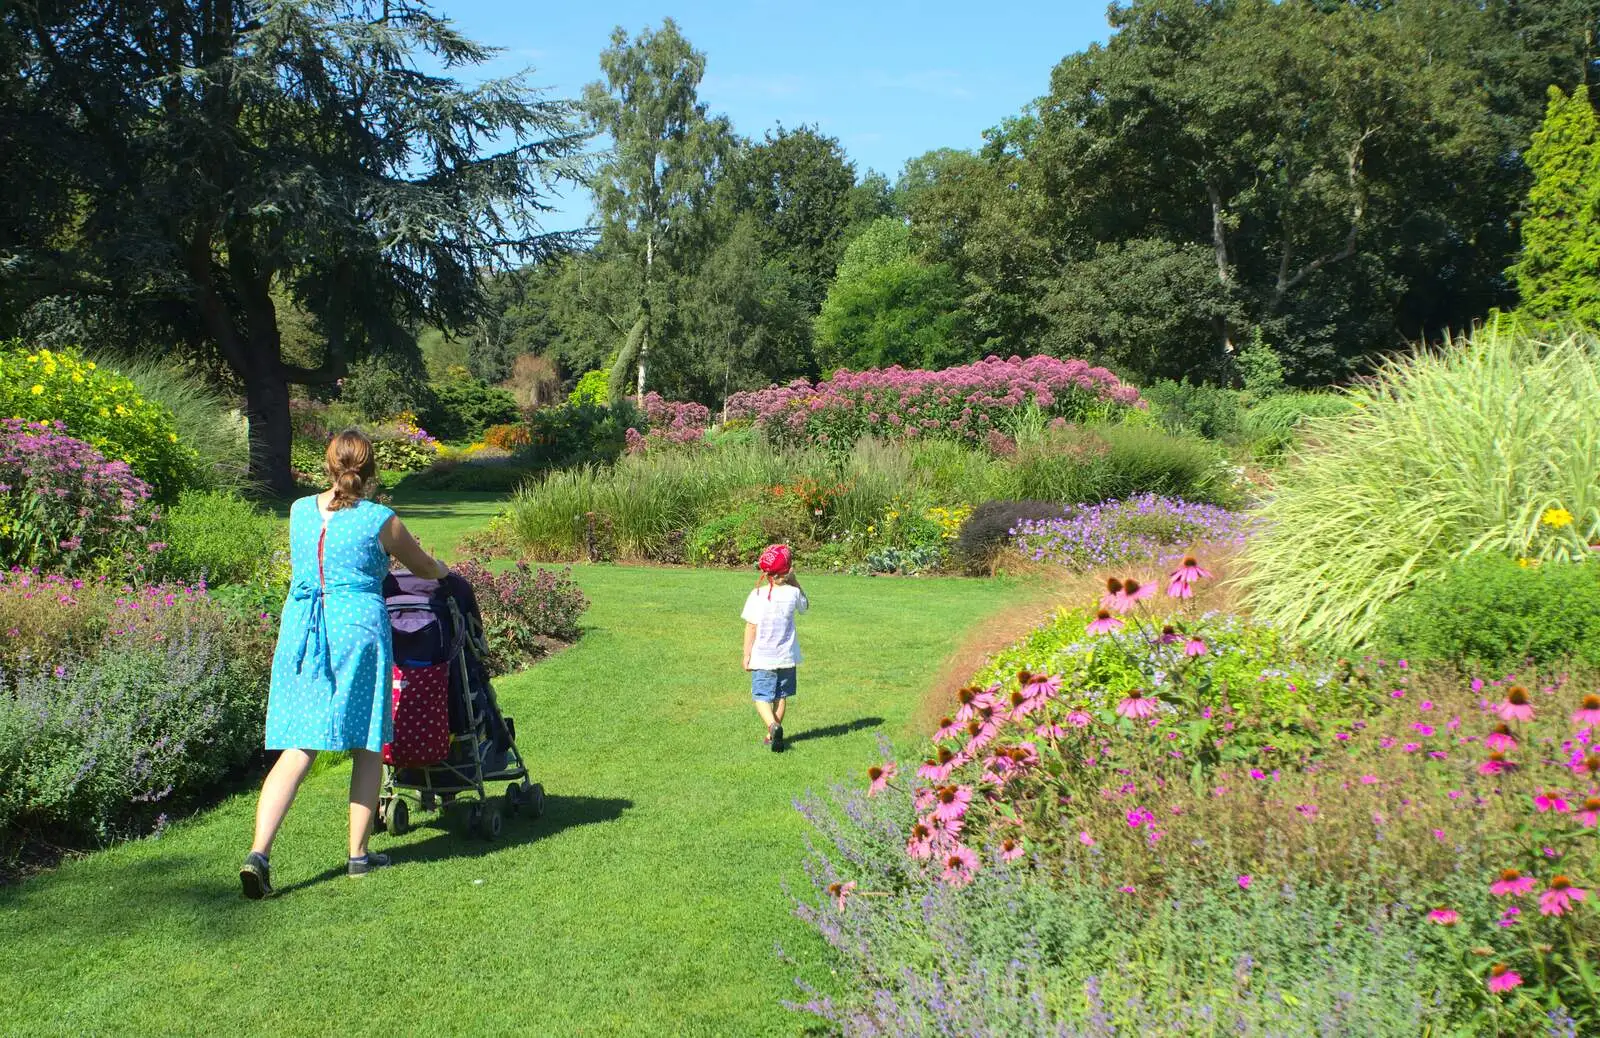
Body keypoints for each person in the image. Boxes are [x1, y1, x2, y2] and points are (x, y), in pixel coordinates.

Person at [239, 429, 449, 899]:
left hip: (304, 628)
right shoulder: (380, 519)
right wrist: (446, 573)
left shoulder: (297, 511)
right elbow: (420, 566)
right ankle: (357, 854)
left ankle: (259, 853)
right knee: (368, 741)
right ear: (371, 468)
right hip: (355, 627)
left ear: (328, 464)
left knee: (299, 746)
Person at [742, 544, 808, 752]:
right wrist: (795, 580)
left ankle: (772, 726)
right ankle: (772, 734)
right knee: (781, 695)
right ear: (788, 570)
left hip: (763, 657)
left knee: (761, 697)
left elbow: (751, 626)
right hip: (787, 656)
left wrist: (746, 654)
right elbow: (805, 606)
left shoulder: (757, 594)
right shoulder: (793, 593)